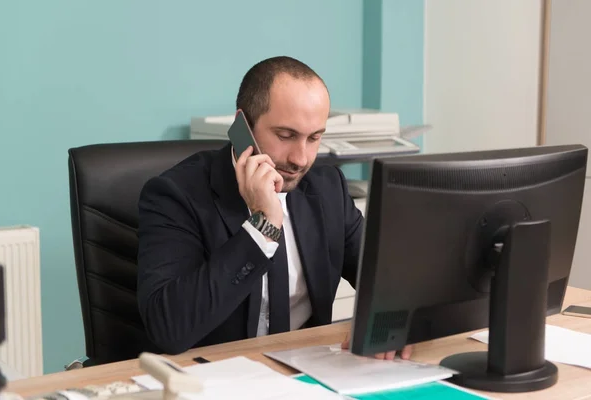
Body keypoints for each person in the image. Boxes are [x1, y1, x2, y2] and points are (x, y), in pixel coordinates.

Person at [137, 56, 412, 360]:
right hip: (217, 377)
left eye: (314, 138)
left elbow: (386, 280)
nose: (301, 159)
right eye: (286, 135)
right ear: (243, 127)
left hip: (309, 372)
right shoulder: (176, 195)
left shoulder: (327, 187)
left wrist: (389, 323)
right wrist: (262, 227)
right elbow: (170, 329)